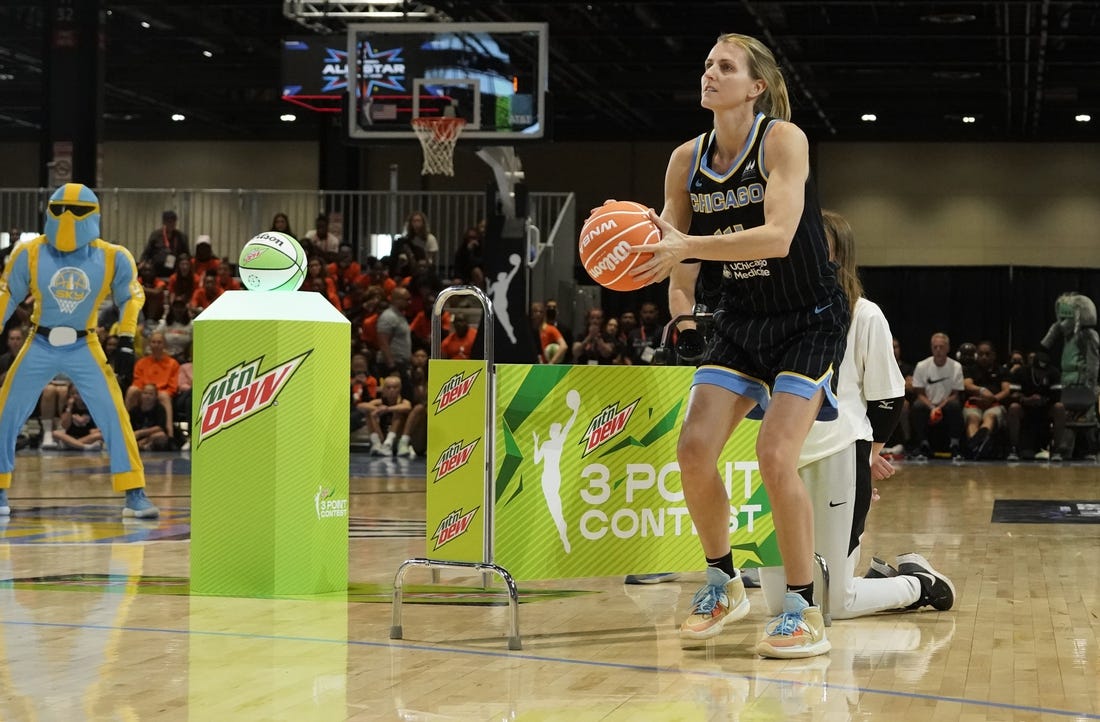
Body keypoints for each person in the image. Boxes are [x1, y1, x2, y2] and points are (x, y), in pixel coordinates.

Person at [623, 33, 850, 659]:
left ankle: (803, 607)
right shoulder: (684, 160)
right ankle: (723, 580)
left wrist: (682, 248)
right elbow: (671, 240)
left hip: (808, 317)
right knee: (693, 450)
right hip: (739, 318)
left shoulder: (782, 140)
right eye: (705, 65)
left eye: (725, 66)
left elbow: (778, 236)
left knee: (775, 455)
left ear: (755, 86)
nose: (710, 73)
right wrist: (643, 266)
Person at [759, 210, 954, 620]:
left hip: (839, 455)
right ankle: (878, 578)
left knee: (829, 604)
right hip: (777, 459)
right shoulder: (772, 315)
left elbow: (888, 398)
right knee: (779, 604)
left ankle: (917, 583)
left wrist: (865, 458)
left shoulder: (865, 315)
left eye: (813, 242)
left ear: (837, 253)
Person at [0, 183, 158, 517]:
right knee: (7, 409)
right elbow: (7, 294)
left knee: (114, 411)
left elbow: (132, 297)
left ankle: (134, 491)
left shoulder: (113, 255)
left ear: (93, 215)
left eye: (77, 211)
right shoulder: (28, 252)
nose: (67, 218)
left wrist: (127, 338)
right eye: (60, 209)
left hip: (84, 342)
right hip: (38, 340)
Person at [910, 332, 965, 460]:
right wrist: (932, 407)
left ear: (948, 348)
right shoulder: (922, 366)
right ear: (931, 348)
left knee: (955, 405)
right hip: (928, 403)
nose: (938, 350)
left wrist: (939, 407)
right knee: (917, 406)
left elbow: (955, 394)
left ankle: (954, 445)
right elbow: (919, 393)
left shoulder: (956, 367)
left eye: (941, 347)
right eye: (935, 347)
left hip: (946, 403)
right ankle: (923, 445)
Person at [126, 331, 179, 428]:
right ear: (149, 345)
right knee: (132, 390)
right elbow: (137, 382)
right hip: (144, 391)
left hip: (161, 393)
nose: (156, 345)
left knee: (164, 396)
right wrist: (147, 393)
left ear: (164, 345)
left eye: (159, 342)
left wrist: (154, 393)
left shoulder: (173, 363)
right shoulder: (141, 362)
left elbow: (173, 387)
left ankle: (168, 432)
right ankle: (125, 426)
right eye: (153, 342)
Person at [140, 209, 189, 278]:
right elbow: (147, 252)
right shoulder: (156, 235)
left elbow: (186, 254)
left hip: (175, 273)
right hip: (157, 272)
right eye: (169, 221)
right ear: (164, 222)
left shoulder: (181, 236)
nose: (171, 224)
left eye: (173, 221)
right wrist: (143, 262)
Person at [52, 387, 104, 451]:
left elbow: (98, 427)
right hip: (70, 436)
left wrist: (96, 430)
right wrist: (69, 407)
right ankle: (84, 447)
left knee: (100, 435)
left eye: (78, 393)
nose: (75, 396)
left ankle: (72, 444)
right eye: (73, 393)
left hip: (87, 437)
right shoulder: (67, 408)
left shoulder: (92, 407)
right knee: (55, 433)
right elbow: (65, 425)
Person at [128, 382, 173, 451]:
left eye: (151, 394)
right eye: (145, 393)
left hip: (151, 436)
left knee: (161, 436)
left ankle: (142, 444)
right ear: (141, 395)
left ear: (156, 397)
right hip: (136, 437)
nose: (147, 396)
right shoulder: (134, 410)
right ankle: (142, 445)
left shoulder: (160, 409)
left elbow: (160, 427)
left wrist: (140, 433)